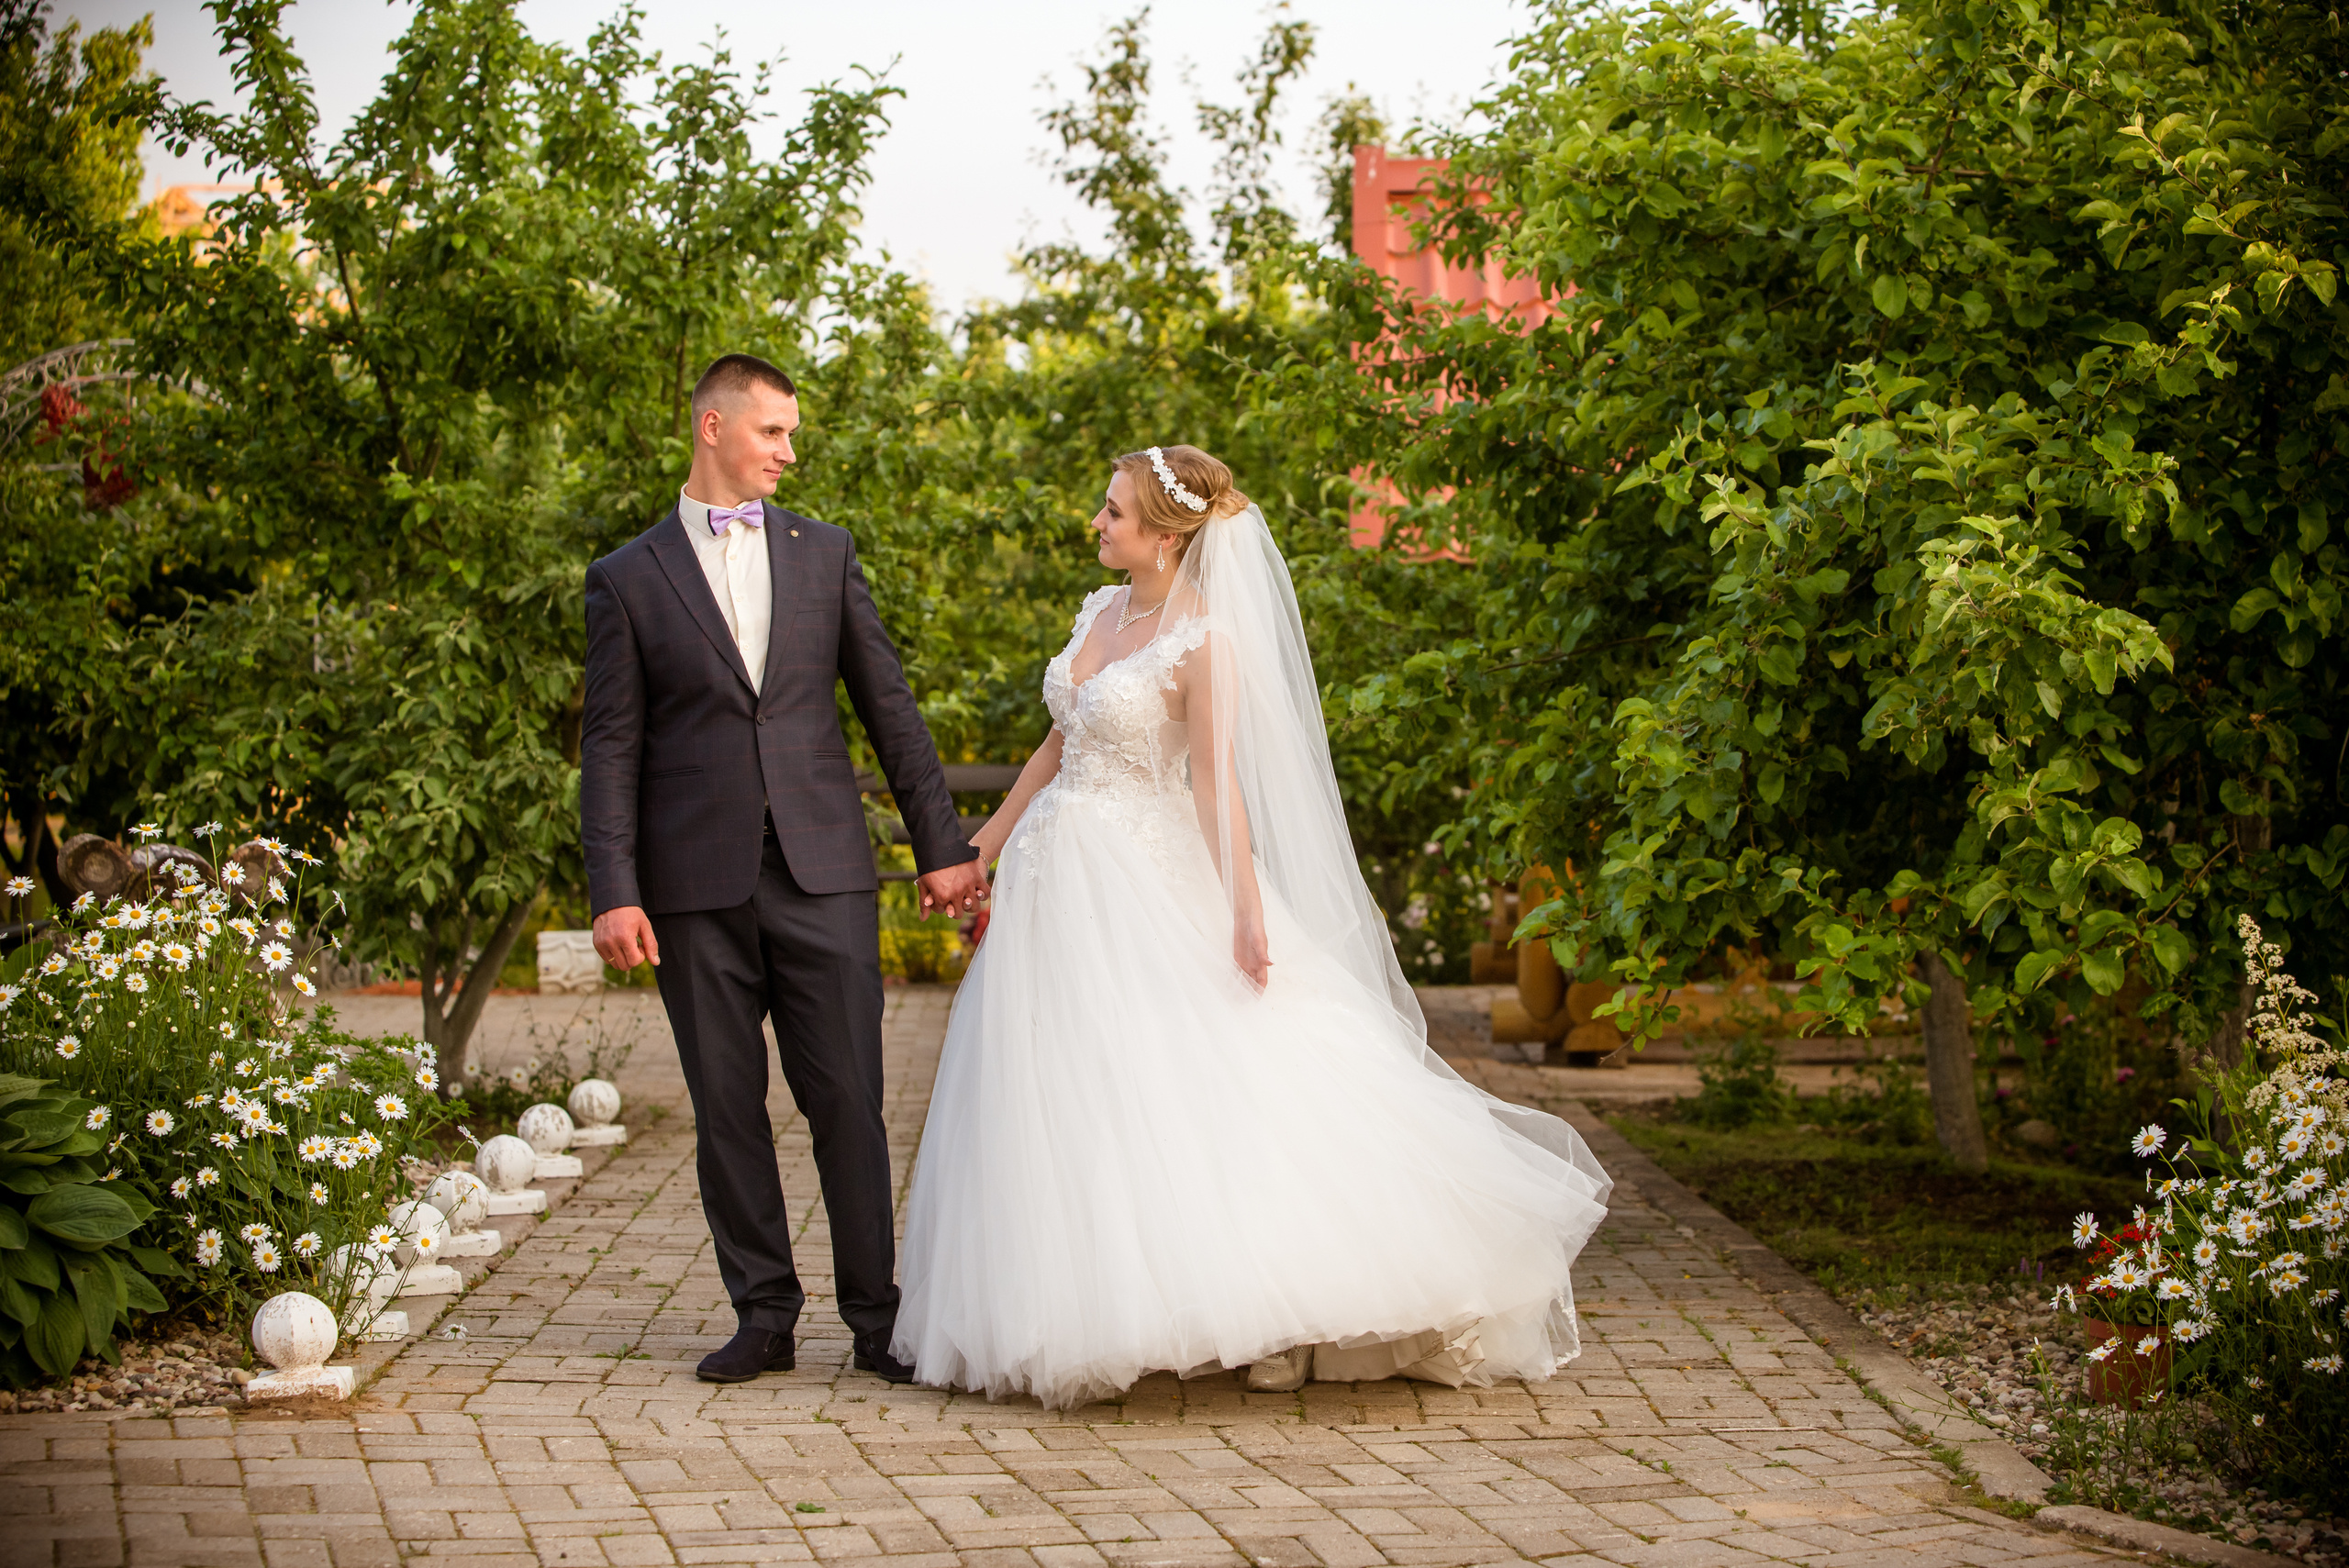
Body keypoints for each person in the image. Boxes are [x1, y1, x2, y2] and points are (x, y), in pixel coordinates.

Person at [893, 443, 1612, 1409]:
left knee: (1171, 1083)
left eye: (1113, 513)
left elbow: (1216, 784)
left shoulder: (1205, 642)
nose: (1097, 525)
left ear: (1166, 534)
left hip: (1140, 880)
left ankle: (1230, 1295)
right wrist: (983, 842)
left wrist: (1243, 909)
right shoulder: (1098, 613)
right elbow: (1062, 739)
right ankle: (1068, 1296)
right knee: (1057, 1088)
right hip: (1052, 885)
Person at [579, 353, 987, 1385]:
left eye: (791, 433)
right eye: (773, 431)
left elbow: (888, 705)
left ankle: (875, 1319)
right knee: (726, 1105)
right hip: (690, 885)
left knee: (849, 1095)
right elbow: (611, 746)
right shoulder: (625, 578)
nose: (789, 451)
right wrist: (613, 886)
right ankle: (763, 1314)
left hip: (824, 872)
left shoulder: (825, 552)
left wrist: (939, 847)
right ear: (713, 426)